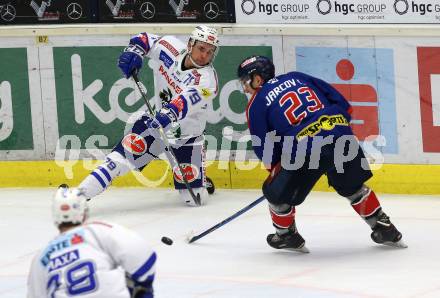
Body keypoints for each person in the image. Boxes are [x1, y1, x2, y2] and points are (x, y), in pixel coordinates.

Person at [236, 55, 407, 252]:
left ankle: (286, 236)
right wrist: (333, 131)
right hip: (340, 135)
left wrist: (278, 175)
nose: (245, 88)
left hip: (304, 151)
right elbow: (343, 103)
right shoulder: (297, 76)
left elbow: (264, 148)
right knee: (352, 187)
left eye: (245, 82)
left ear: (257, 79)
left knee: (274, 193)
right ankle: (384, 227)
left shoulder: (256, 103)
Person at [77, 25, 219, 206]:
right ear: (190, 44)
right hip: (154, 124)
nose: (204, 56)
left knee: (196, 200)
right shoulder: (171, 47)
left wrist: (167, 114)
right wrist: (134, 52)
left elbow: (184, 102)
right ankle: (78, 196)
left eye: (210, 52)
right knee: (118, 161)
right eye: (201, 48)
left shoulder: (207, 80)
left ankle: (200, 180)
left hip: (187, 138)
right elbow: (144, 39)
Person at [27, 187, 156, 297]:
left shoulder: (41, 258)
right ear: (83, 212)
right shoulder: (98, 231)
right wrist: (142, 289)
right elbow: (143, 257)